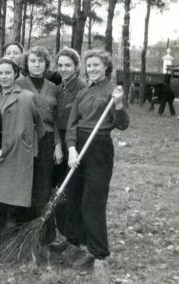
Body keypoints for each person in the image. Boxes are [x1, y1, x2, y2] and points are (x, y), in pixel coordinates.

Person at [64, 49, 129, 269]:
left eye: (96, 65)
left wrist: (118, 105)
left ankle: (98, 252)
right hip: (79, 145)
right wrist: (71, 148)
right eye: (89, 65)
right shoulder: (82, 92)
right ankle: (81, 244)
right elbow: (72, 124)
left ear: (106, 67)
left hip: (99, 147)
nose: (92, 69)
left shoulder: (114, 92)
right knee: (74, 197)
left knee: (93, 201)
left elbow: (122, 124)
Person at [0, 58, 45, 231]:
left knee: (13, 200)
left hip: (14, 153)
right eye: (0, 73)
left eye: (8, 72)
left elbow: (29, 129)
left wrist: (7, 150)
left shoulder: (26, 97)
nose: (4, 76)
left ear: (15, 74)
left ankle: (12, 242)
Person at [16, 46, 61, 245]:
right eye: (33, 60)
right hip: (25, 139)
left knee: (43, 187)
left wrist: (58, 145)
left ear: (46, 64)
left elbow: (57, 119)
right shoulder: (18, 83)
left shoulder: (53, 87)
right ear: (27, 63)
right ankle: (23, 235)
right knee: (26, 186)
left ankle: (43, 236)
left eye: (41, 61)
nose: (37, 64)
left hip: (47, 140)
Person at [48, 47, 87, 250]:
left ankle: (75, 239)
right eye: (61, 65)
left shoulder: (82, 88)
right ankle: (65, 235)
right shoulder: (59, 87)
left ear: (76, 66)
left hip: (75, 141)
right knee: (59, 190)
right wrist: (57, 145)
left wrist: (69, 146)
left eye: (68, 65)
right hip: (60, 141)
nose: (64, 69)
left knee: (71, 190)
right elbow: (54, 119)